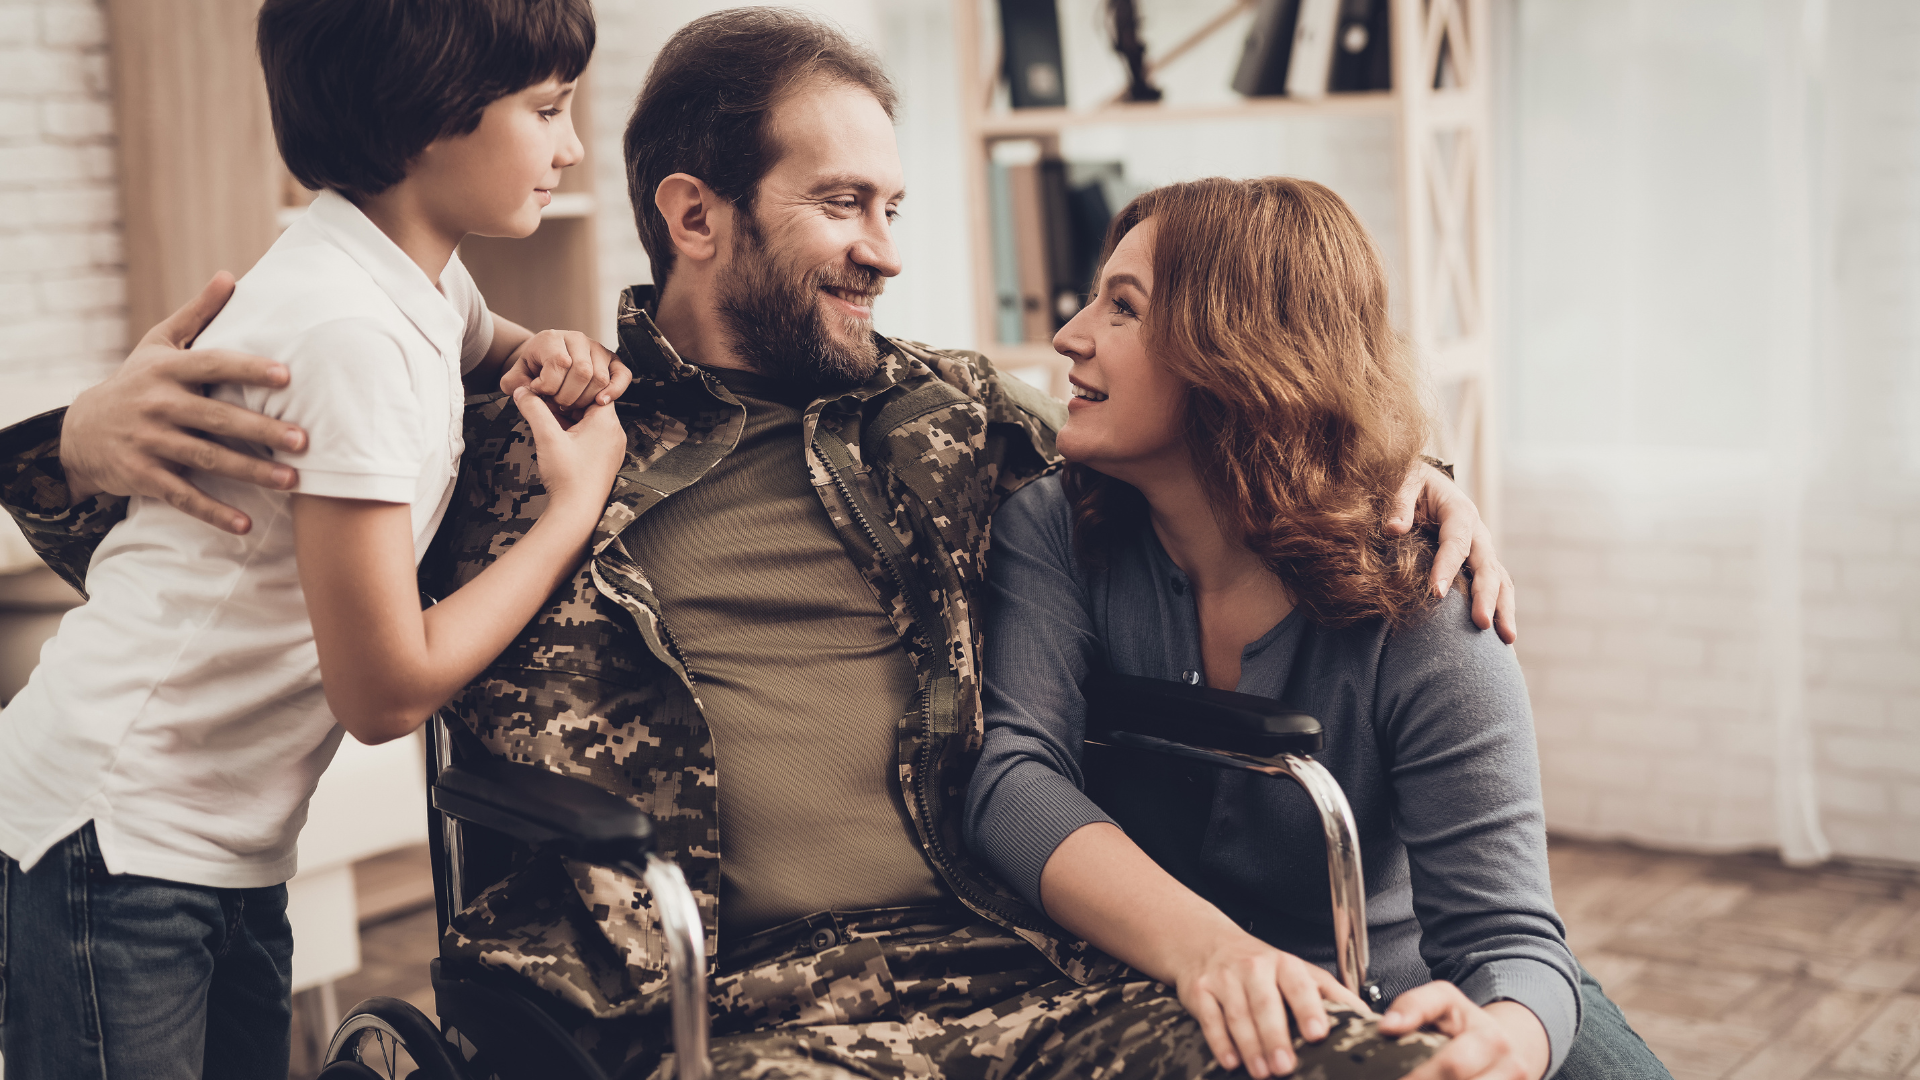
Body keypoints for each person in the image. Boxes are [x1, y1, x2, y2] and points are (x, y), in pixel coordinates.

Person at [0, 10, 1519, 1080]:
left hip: (1000, 963)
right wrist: (70, 440)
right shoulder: (523, 438)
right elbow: (212, 561)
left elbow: (1201, 413)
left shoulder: (948, 415)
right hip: (700, 1003)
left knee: (1339, 1069)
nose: (890, 247)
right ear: (698, 215)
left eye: (896, 203)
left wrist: (1410, 475)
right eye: (845, 203)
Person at [0, 1, 628, 1077]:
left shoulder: (408, 276)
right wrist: (573, 510)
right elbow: (383, 690)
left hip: (223, 843)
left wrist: (556, 349)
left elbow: (484, 341)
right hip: (120, 839)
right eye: (547, 109)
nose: (571, 146)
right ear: (429, 118)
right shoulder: (347, 329)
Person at [964, 178, 1672, 1080]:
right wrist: (1216, 952)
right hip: (1183, 990)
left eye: (1124, 308)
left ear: (1239, 354)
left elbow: (1510, 936)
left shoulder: (1426, 596)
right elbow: (1014, 783)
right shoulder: (1053, 530)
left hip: (1408, 991)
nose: (1070, 335)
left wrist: (1504, 1039)